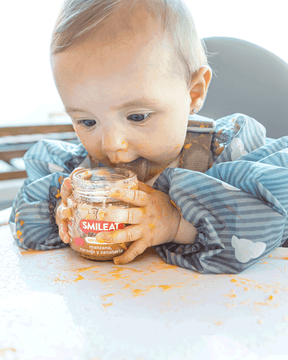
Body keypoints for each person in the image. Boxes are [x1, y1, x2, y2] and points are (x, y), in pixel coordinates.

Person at [10, 0, 288, 273]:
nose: (112, 145)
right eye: (87, 121)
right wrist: (60, 210)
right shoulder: (82, 173)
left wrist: (175, 222)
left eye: (137, 117)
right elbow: (21, 222)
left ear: (193, 93)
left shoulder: (230, 152)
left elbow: (268, 220)